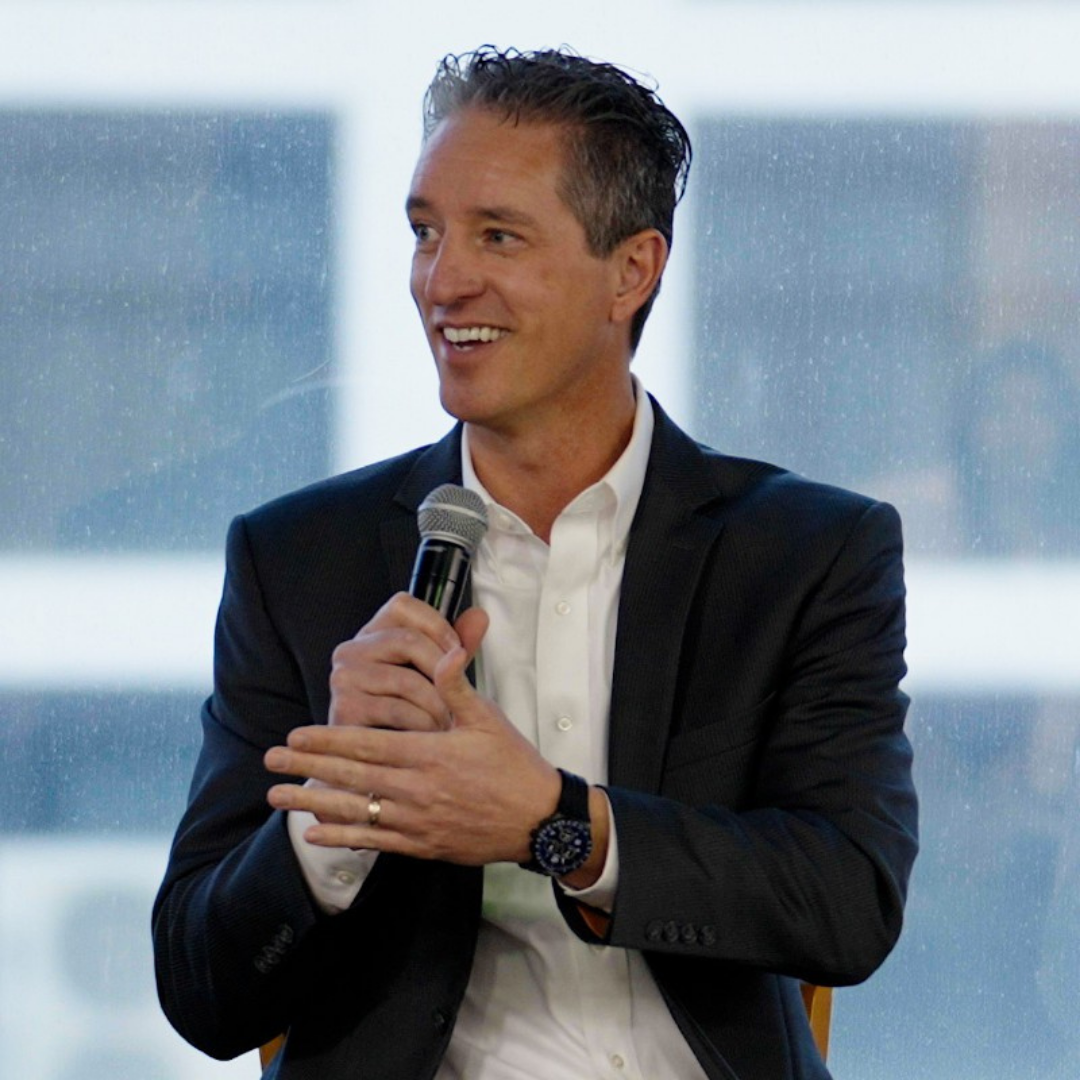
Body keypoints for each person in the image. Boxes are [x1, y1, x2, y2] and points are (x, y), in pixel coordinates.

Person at [153, 46, 918, 1080]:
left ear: (632, 271)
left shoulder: (805, 553)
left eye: (498, 236)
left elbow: (848, 902)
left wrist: (559, 825)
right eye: (425, 232)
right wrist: (345, 805)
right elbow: (202, 991)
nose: (442, 281)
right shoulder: (298, 558)